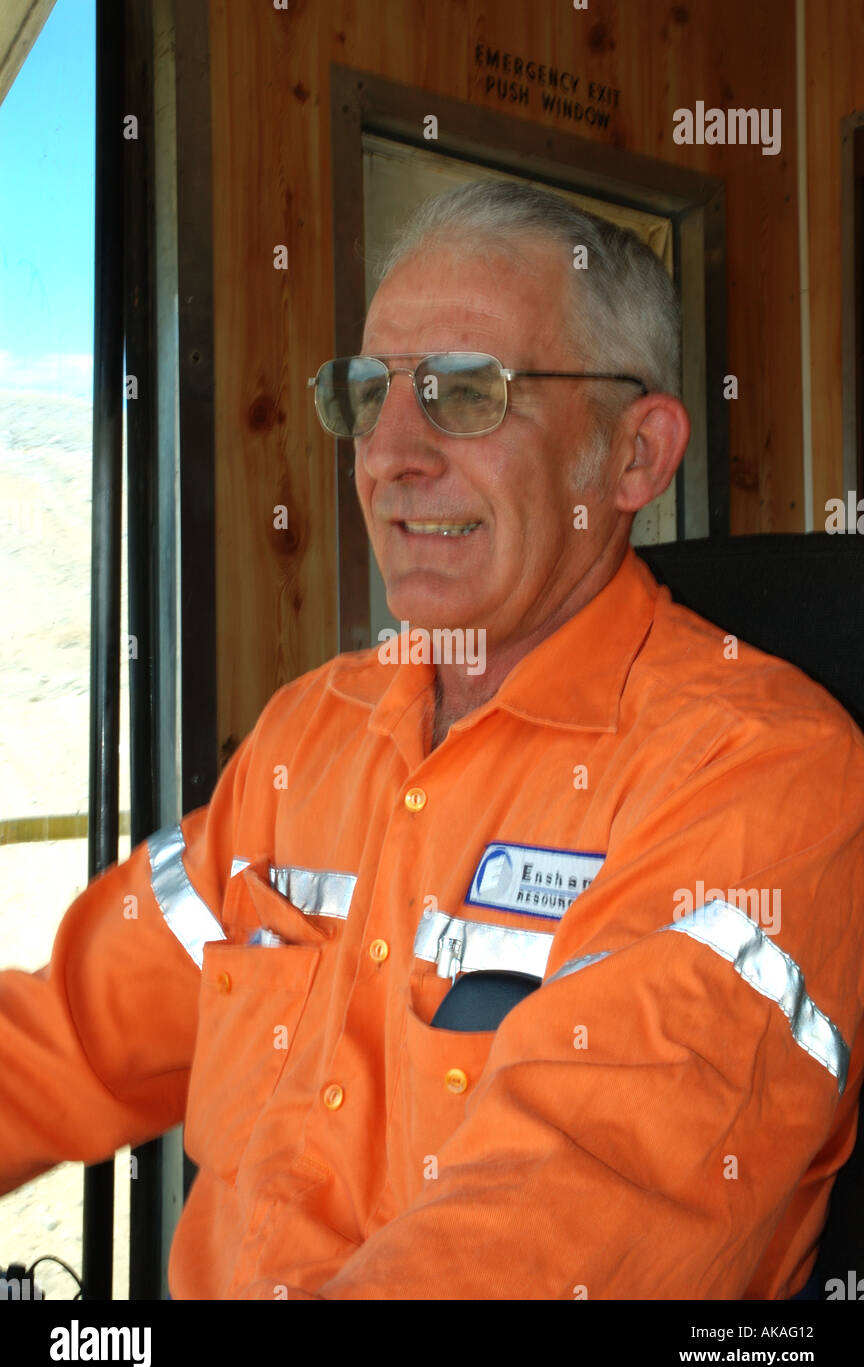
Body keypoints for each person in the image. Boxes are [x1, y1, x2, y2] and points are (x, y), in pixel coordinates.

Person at [1, 180, 863, 1300]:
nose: (388, 454)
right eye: (368, 394)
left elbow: (553, 1227)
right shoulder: (310, 732)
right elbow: (58, 1037)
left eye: (465, 393)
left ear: (633, 458)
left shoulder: (758, 772)